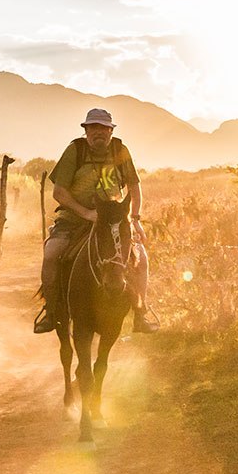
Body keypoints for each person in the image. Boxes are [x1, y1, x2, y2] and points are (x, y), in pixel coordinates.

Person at [33, 108, 158, 335]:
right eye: (93, 128)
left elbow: (134, 187)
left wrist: (135, 219)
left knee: (141, 258)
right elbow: (59, 192)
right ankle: (51, 310)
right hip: (74, 218)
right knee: (52, 253)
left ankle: (141, 312)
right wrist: (86, 213)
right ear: (86, 131)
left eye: (103, 128)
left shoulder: (120, 150)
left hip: (113, 219)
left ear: (111, 132)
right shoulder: (75, 151)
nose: (98, 132)